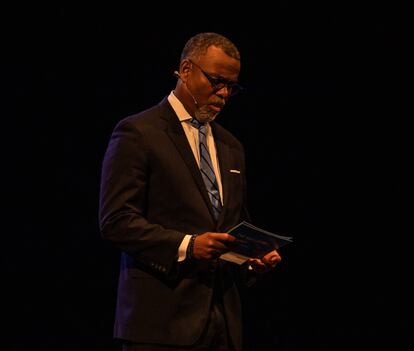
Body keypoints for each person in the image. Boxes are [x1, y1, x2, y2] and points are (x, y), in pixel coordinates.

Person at [99, 32, 282, 351]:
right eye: (216, 81)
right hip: (160, 325)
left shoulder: (231, 145)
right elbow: (116, 221)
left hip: (222, 324)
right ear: (185, 69)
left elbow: (233, 224)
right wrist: (187, 245)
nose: (223, 93)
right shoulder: (139, 132)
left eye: (231, 87)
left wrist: (252, 258)